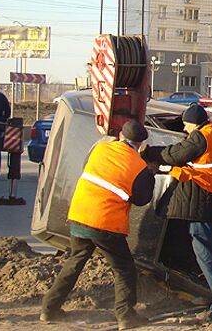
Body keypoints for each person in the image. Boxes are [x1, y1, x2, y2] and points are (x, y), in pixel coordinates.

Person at [40, 120, 154, 331]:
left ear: (120, 136)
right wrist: (150, 174)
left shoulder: (100, 148)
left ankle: (49, 308)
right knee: (124, 269)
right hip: (106, 223)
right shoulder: (138, 166)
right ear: (140, 144)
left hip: (80, 215)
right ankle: (126, 316)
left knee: (75, 262)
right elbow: (142, 199)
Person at [142, 103, 212, 330]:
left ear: (194, 122)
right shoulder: (208, 135)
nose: (184, 128)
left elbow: (176, 154)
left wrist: (148, 152)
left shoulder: (201, 136)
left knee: (205, 252)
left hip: (206, 201)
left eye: (185, 123)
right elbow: (183, 157)